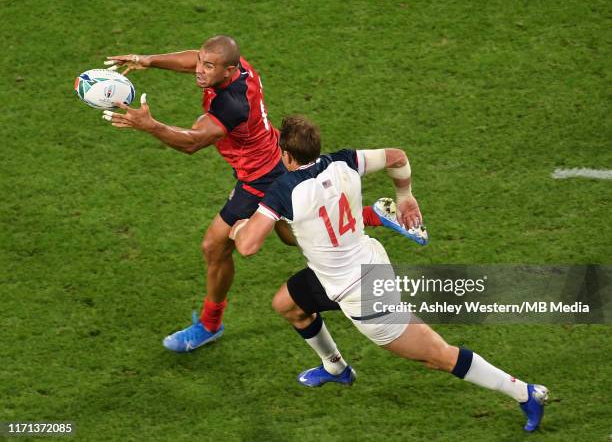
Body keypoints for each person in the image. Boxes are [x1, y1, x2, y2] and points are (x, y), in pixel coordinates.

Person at [229, 115, 549, 432]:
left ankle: (524, 392)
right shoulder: (343, 161)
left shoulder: (284, 190)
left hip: (361, 292)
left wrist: (240, 228)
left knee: (436, 355)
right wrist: (405, 197)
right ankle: (336, 367)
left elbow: (247, 247)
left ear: (286, 155)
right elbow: (397, 157)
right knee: (288, 305)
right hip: (348, 264)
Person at [102, 35, 403, 352]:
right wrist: (149, 59)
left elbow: (191, 142)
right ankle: (372, 215)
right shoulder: (239, 67)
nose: (199, 70)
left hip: (258, 178)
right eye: (201, 62)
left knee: (214, 246)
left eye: (208, 66)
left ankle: (209, 324)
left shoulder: (230, 105)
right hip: (271, 155)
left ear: (229, 71)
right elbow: (198, 58)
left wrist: (149, 125)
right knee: (291, 234)